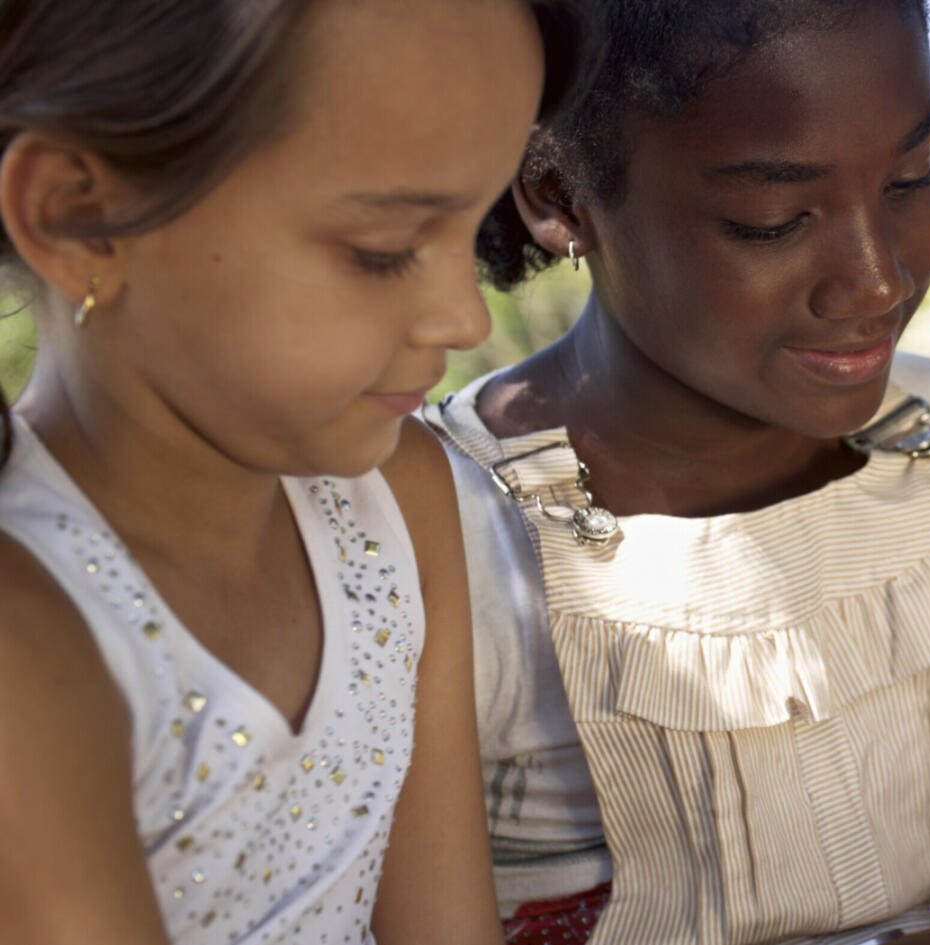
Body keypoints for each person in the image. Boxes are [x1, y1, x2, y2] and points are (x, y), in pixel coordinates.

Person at [423, 2, 930, 943]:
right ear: (558, 188)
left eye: (911, 177)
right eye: (771, 221)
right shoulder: (447, 530)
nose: (878, 279)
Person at [0, 0, 576, 941]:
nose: (465, 319)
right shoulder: (31, 638)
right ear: (79, 216)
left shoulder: (398, 499)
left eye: (471, 232)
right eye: (383, 251)